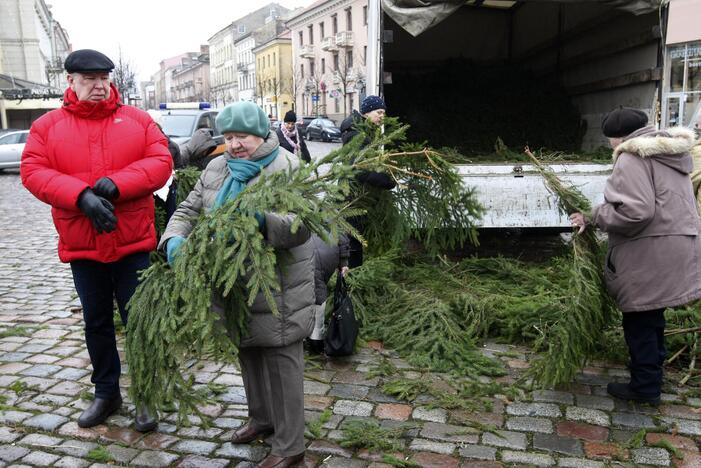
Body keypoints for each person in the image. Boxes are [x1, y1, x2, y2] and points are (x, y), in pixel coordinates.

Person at [20, 49, 173, 431]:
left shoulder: (137, 120)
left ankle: (147, 394)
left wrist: (121, 182)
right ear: (70, 81)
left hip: (133, 242)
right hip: (83, 245)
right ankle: (106, 392)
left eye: (104, 78)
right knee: (96, 322)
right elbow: (33, 171)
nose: (99, 85)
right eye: (89, 79)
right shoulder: (48, 126)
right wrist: (80, 195)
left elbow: (161, 161)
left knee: (139, 321)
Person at [159, 101, 312, 468]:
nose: (235, 144)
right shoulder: (216, 167)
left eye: (241, 135)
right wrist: (175, 240)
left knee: (280, 360)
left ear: (261, 133)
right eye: (228, 137)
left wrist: (262, 221)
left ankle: (290, 447)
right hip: (233, 285)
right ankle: (261, 418)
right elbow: (187, 210)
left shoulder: (287, 166)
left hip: (278, 287)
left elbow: (304, 223)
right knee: (248, 350)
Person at [569, 107, 701, 405]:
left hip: (650, 250)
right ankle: (650, 374)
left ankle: (644, 388)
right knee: (653, 316)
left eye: (610, 139)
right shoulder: (670, 152)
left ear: (617, 137)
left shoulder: (631, 158)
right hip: (677, 245)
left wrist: (596, 215)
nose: (610, 145)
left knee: (639, 318)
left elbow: (636, 211)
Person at [339, 95, 396, 267]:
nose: (381, 116)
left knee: (355, 240)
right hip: (352, 196)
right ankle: (353, 281)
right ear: (366, 112)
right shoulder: (357, 133)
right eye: (378, 112)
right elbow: (359, 170)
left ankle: (355, 278)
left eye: (383, 113)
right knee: (353, 244)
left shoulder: (362, 130)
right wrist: (388, 181)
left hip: (356, 195)